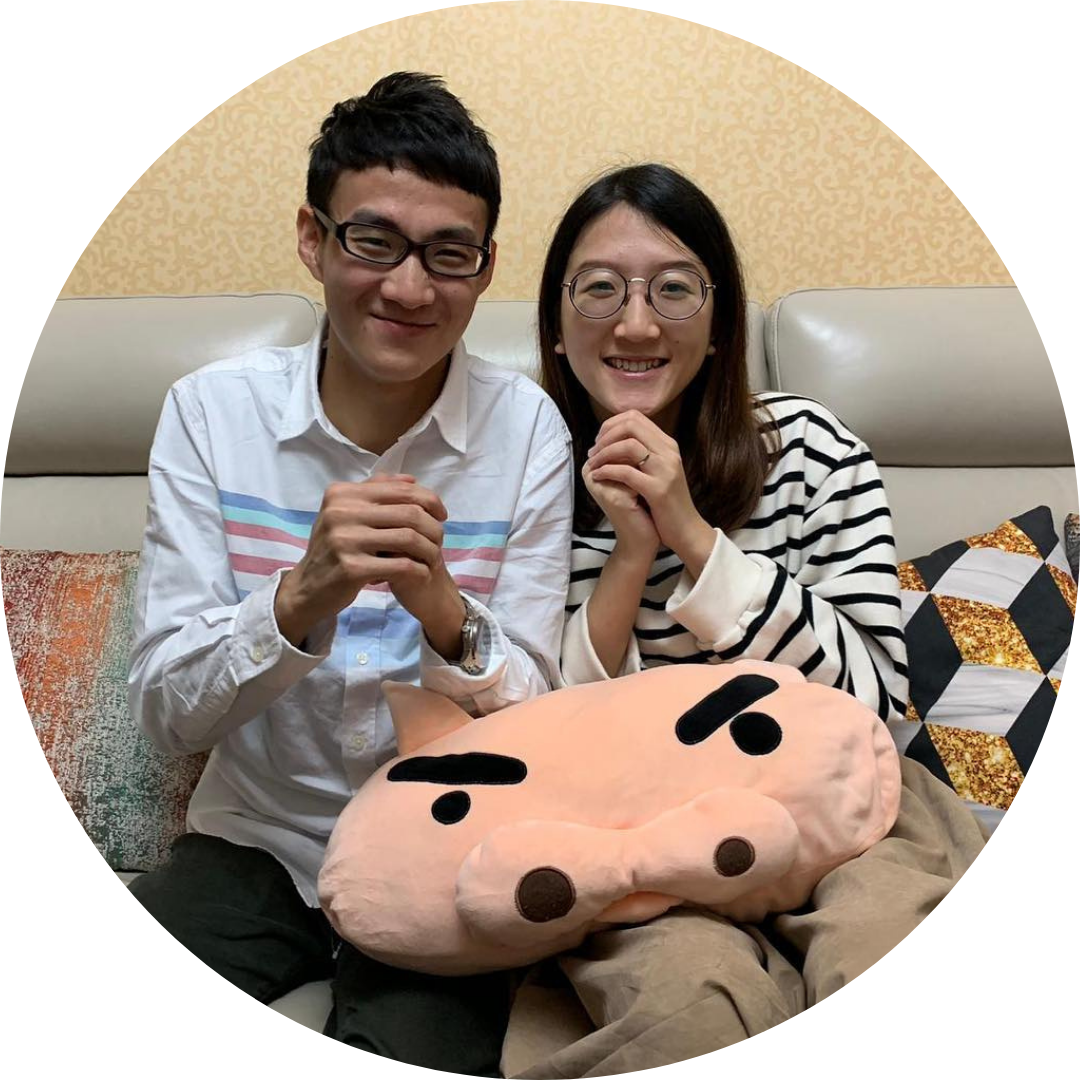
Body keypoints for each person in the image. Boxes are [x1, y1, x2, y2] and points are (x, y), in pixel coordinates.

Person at [126, 72, 573, 1074]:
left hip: (445, 839)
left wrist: (448, 617)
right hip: (256, 839)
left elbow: (540, 716)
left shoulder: (529, 431)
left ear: (485, 267)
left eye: (448, 253)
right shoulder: (210, 414)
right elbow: (163, 712)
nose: (409, 289)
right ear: (312, 238)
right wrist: (298, 600)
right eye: (373, 240)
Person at [500, 163, 985, 1077]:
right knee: (690, 1011)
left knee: (873, 948)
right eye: (599, 288)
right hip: (643, 838)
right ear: (556, 326)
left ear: (720, 323)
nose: (635, 323)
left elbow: (874, 701)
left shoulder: (811, 449)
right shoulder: (525, 475)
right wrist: (630, 556)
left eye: (674, 289)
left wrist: (691, 535)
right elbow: (549, 737)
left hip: (846, 812)